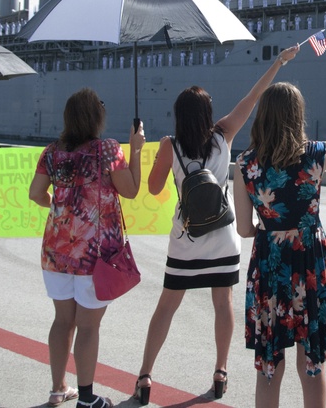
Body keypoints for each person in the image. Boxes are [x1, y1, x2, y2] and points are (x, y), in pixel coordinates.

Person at [135, 46, 301, 404]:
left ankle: (146, 375)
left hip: (186, 238)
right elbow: (253, 97)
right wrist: (278, 62)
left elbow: (151, 188)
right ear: (208, 112)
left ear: (178, 115)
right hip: (224, 239)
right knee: (223, 303)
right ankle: (220, 370)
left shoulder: (170, 145)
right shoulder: (223, 135)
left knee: (166, 306)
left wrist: (143, 149)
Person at [233, 84, 326, 407]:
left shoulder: (244, 164)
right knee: (311, 363)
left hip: (270, 265)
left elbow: (244, 229)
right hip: (310, 263)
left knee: (269, 367)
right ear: (297, 115)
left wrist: (270, 225)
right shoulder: (316, 154)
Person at [28, 89, 144, 408]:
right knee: (89, 326)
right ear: (96, 117)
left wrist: (60, 208)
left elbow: (36, 193)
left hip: (56, 251)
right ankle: (88, 398)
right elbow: (131, 190)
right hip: (95, 257)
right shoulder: (107, 149)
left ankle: (57, 389)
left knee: (62, 321)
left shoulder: (52, 152)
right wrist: (135, 150)